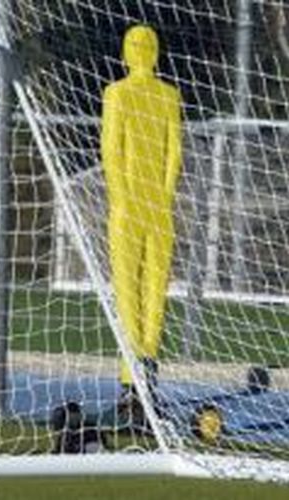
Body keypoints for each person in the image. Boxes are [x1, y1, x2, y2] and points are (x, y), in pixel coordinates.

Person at [100, 25, 182, 409]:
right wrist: (162, 198)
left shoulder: (116, 93)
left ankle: (132, 380)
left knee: (131, 296)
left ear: (125, 54)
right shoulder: (169, 96)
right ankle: (145, 371)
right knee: (153, 296)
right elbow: (173, 155)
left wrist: (122, 199)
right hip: (156, 208)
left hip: (130, 209)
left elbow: (110, 152)